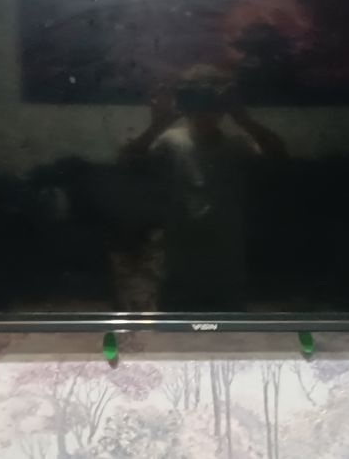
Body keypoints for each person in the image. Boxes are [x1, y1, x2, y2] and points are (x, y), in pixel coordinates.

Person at [121, 65, 286, 309]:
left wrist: (244, 119)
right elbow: (127, 162)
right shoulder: (171, 140)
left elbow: (278, 156)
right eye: (195, 101)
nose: (204, 112)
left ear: (223, 106)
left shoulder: (237, 144)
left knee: (226, 317)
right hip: (178, 253)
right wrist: (158, 124)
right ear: (184, 102)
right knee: (176, 316)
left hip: (226, 254)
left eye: (212, 103)